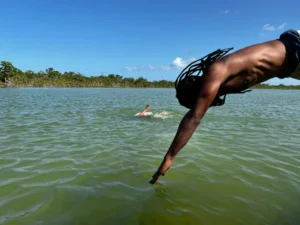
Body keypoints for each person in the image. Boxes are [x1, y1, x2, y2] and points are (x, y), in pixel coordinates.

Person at [149, 29, 300, 184]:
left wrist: (169, 157)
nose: (208, 104)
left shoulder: (216, 71)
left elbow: (194, 117)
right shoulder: (223, 83)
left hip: (295, 46)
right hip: (292, 66)